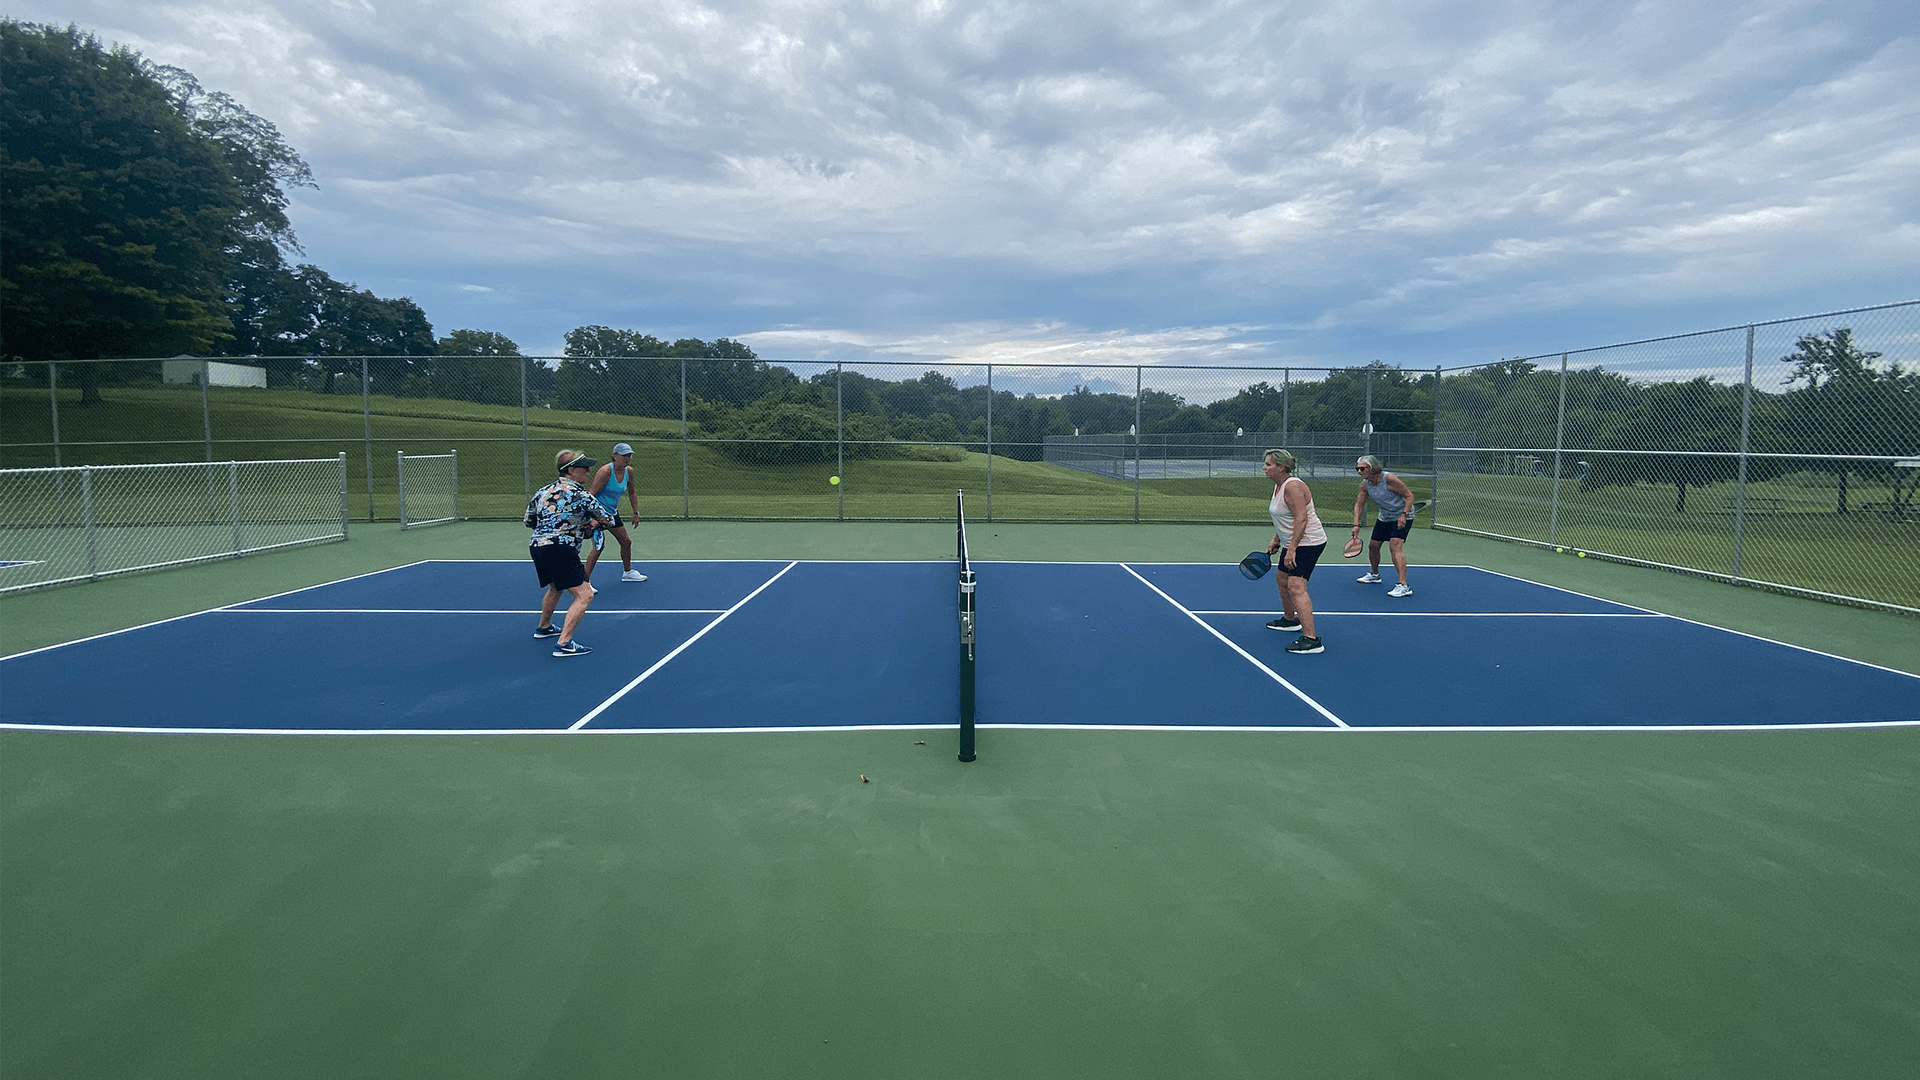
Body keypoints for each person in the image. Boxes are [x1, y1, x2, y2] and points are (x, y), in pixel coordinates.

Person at [524, 449, 620, 657]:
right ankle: (564, 643)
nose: (589, 472)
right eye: (584, 468)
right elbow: (607, 519)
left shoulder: (542, 491)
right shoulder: (580, 494)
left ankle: (545, 626)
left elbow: (528, 520)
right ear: (571, 470)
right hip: (561, 548)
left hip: (537, 547)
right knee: (584, 595)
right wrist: (592, 524)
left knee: (556, 586)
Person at [1261, 449, 1328, 654]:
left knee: (1296, 585)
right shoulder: (1278, 486)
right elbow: (1284, 518)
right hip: (1293, 542)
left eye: (1268, 464)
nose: (1264, 467)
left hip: (1308, 543)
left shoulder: (1293, 487)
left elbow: (1301, 519)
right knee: (1282, 578)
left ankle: (1311, 639)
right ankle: (1290, 620)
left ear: (1281, 467)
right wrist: (1276, 540)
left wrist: (1291, 550)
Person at [1350, 454, 1416, 597]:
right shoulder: (1365, 485)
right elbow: (1359, 504)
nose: (1359, 472)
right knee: (1373, 546)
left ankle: (1403, 585)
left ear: (1372, 468)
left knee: (1395, 546)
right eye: (1357, 469)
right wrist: (1356, 524)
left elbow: (1409, 496)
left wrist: (1404, 515)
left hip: (1403, 515)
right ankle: (1375, 575)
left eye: (1362, 469)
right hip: (1385, 517)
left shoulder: (1389, 479)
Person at [582, 441, 646, 583]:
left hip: (611, 514)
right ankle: (584, 583)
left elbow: (632, 493)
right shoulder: (605, 471)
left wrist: (635, 513)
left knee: (626, 542)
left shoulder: (628, 471)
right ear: (615, 456)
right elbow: (590, 495)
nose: (627, 459)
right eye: (624, 455)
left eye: (629, 456)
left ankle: (628, 573)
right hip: (597, 514)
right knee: (598, 547)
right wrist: (591, 517)